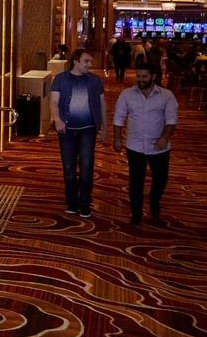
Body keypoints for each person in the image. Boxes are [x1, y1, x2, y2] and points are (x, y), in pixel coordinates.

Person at [112, 63, 177, 226]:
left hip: (159, 146)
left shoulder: (166, 96)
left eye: (144, 77)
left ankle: (154, 200)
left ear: (153, 77)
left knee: (161, 180)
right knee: (136, 181)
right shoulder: (127, 95)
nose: (140, 80)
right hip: (135, 145)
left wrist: (165, 138)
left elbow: (171, 120)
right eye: (138, 77)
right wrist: (117, 139)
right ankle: (136, 214)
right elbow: (119, 118)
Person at [48, 48, 106, 218]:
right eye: (86, 61)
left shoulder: (95, 81)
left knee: (87, 167)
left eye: (90, 61)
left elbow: (102, 104)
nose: (90, 64)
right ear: (76, 61)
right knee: (69, 167)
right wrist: (57, 119)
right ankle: (72, 202)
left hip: (88, 129)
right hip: (67, 129)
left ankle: (85, 202)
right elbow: (53, 102)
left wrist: (104, 127)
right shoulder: (60, 79)